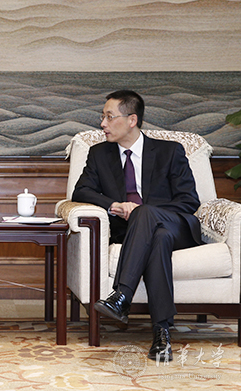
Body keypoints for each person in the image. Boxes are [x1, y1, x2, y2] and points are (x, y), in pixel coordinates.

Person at [72, 90, 201, 362]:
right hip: (136, 233)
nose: (103, 124)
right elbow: (81, 191)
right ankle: (161, 334)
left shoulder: (169, 152)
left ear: (132, 120)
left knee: (151, 219)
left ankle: (122, 295)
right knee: (158, 240)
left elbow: (189, 200)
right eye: (102, 117)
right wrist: (114, 205)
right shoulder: (99, 154)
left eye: (109, 117)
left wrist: (148, 213)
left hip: (176, 226)